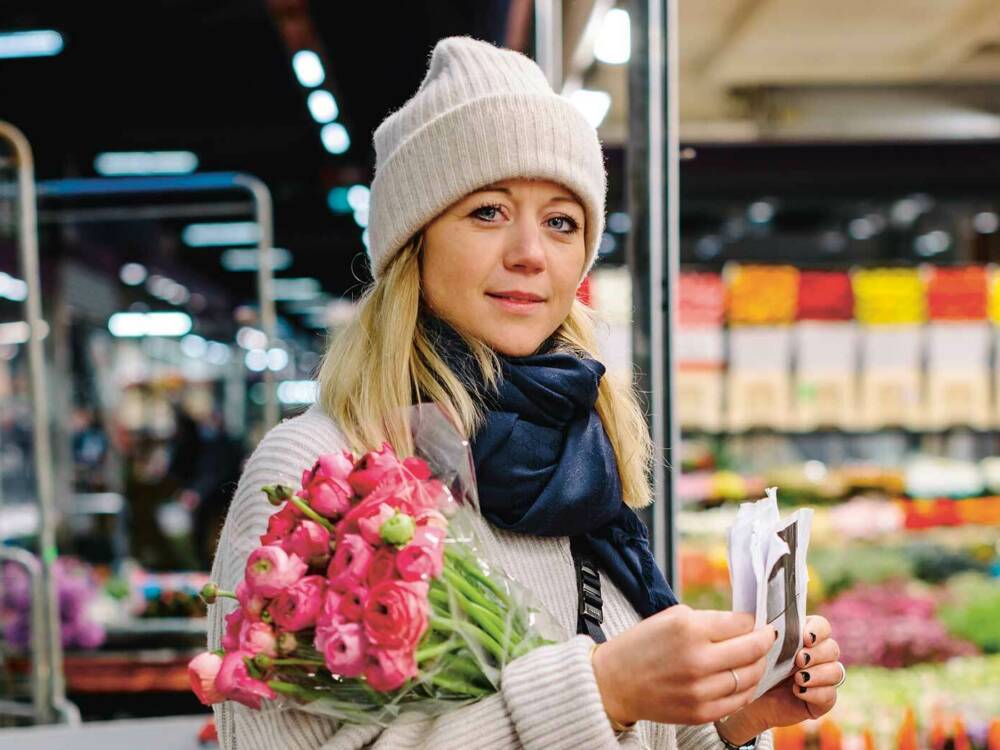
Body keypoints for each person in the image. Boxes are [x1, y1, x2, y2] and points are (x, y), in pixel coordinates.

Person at [208, 36, 844, 749]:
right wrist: (598, 692)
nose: (530, 252)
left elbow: (629, 733)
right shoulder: (316, 472)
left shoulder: (580, 457)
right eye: (487, 212)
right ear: (412, 243)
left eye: (561, 222)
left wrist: (732, 718)